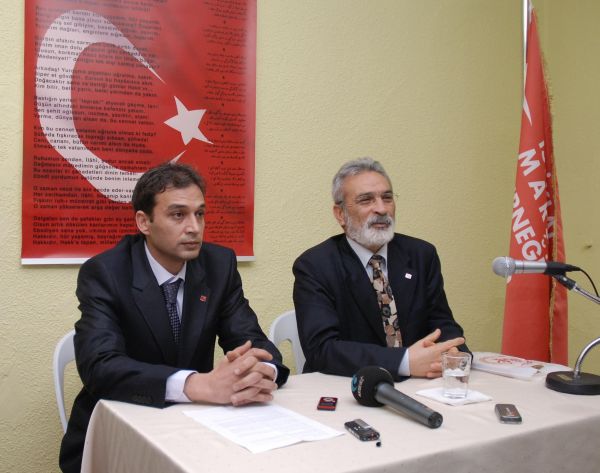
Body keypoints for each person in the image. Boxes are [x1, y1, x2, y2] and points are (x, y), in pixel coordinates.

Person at [60, 163, 289, 473]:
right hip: (121, 431)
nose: (194, 227)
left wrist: (258, 372)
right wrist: (197, 385)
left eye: (200, 214)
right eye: (178, 215)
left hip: (196, 428)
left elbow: (253, 342)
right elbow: (100, 367)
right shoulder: (106, 273)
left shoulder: (219, 264)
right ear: (144, 222)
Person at [293, 157, 467, 381]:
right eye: (366, 200)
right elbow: (322, 350)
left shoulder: (421, 255)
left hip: (420, 383)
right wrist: (404, 362)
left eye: (387, 198)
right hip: (348, 385)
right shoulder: (315, 265)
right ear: (340, 214)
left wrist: (452, 353)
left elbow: (442, 324)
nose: (382, 209)